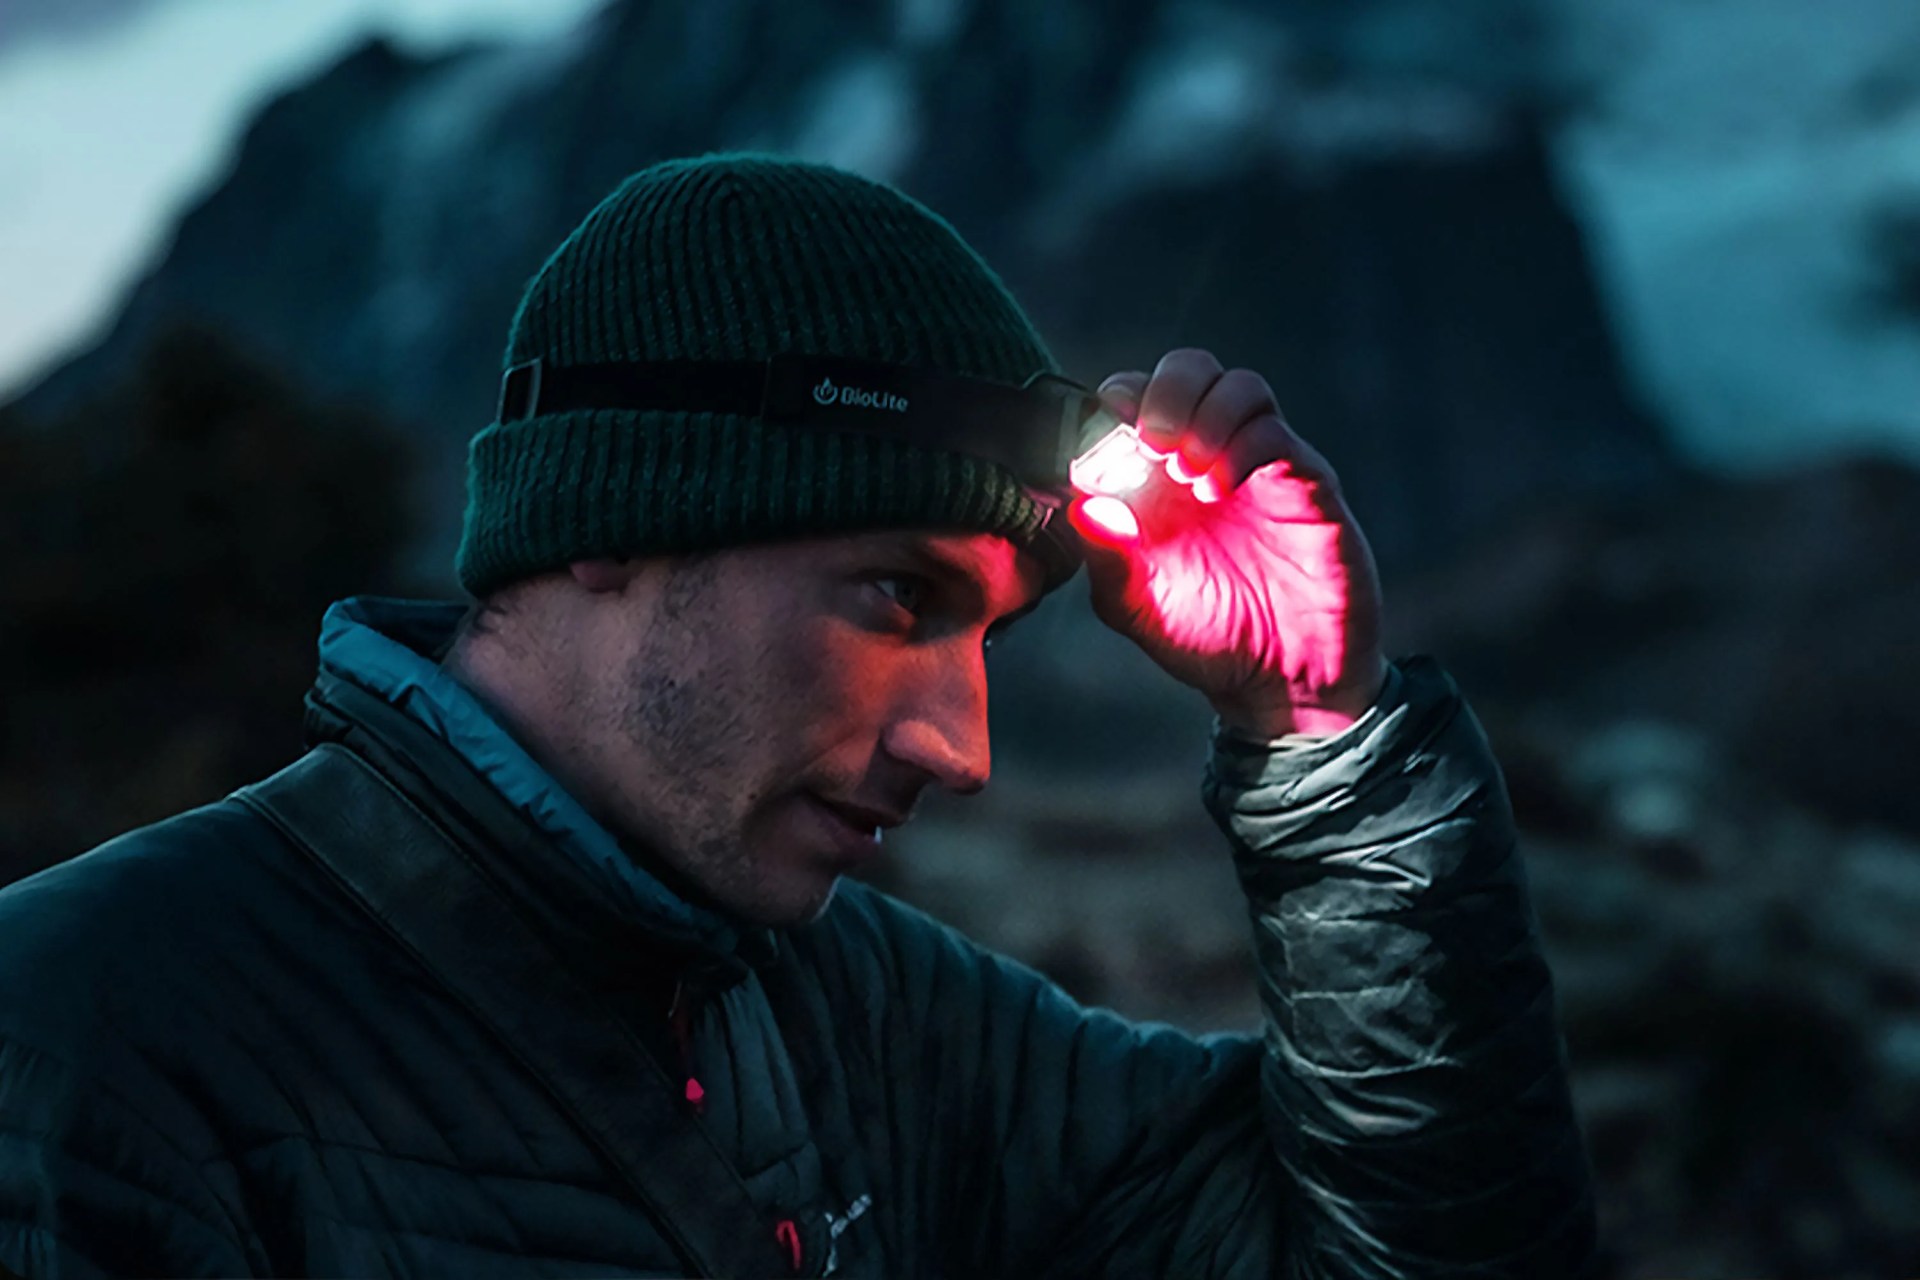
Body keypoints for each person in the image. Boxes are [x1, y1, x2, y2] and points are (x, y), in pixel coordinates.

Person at [0, 153, 1596, 1278]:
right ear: (609, 530)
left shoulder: (880, 1020)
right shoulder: (82, 1038)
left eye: (989, 633)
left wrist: (1322, 734)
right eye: (895, 599)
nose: (959, 747)